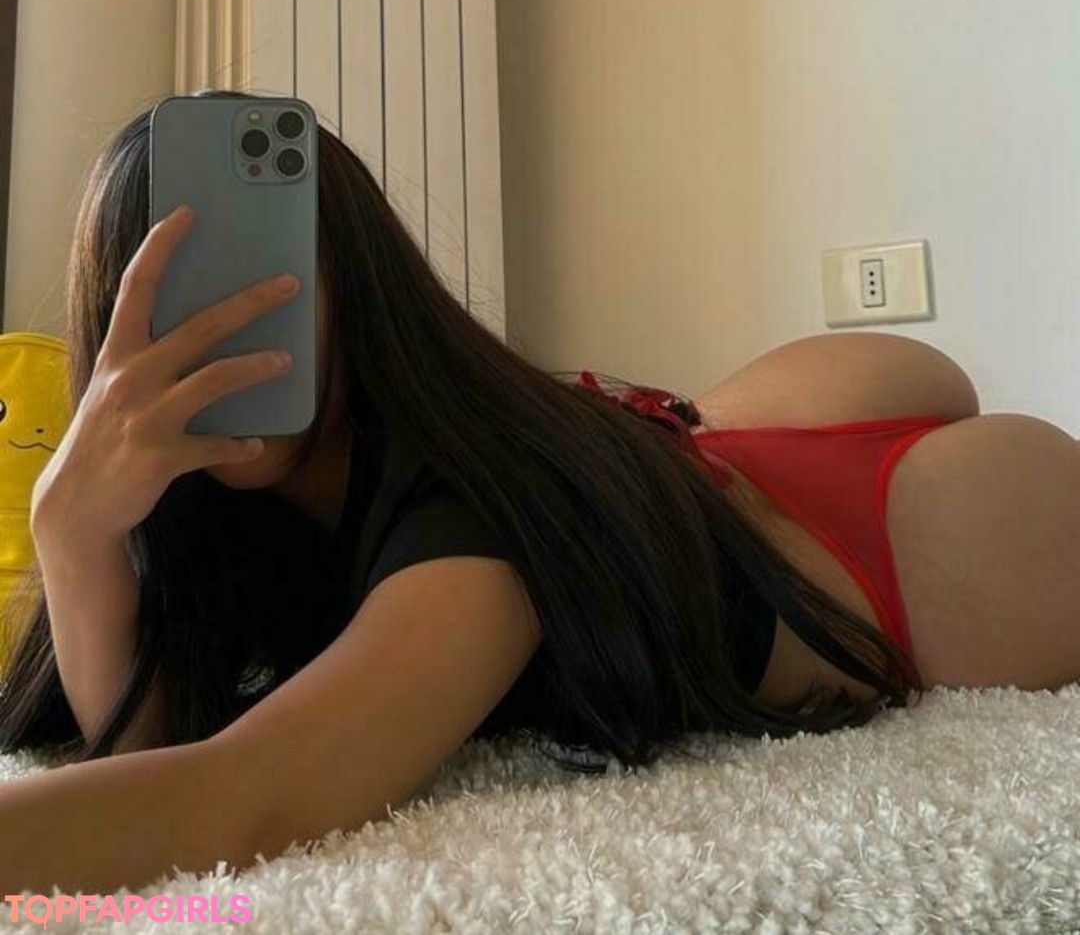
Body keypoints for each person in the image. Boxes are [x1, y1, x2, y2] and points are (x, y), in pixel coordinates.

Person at [0, 97, 1077, 895]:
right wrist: (74, 534)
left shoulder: (467, 522)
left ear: (353, 279)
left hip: (912, 538)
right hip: (713, 435)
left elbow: (239, 797)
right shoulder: (231, 513)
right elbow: (143, 751)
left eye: (261, 284)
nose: (219, 335)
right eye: (176, 302)